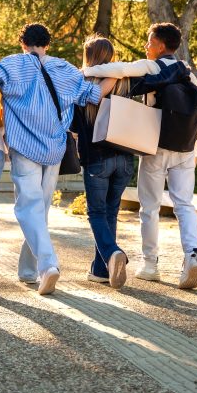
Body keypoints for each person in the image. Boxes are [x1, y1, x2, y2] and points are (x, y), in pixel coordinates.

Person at [0, 23, 101, 295]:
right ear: (47, 44)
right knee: (40, 209)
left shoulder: (12, 64)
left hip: (25, 147)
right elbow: (93, 94)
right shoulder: (65, 69)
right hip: (54, 148)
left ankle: (48, 265)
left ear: (23, 43)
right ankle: (28, 269)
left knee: (28, 208)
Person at [82, 22, 197, 290]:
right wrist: (194, 150)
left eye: (150, 42)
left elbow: (119, 69)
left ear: (160, 46)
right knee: (185, 205)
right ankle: (192, 254)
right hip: (185, 149)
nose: (147, 47)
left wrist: (86, 70)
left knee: (149, 207)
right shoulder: (188, 73)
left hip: (156, 148)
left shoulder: (154, 66)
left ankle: (150, 264)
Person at [73, 36, 129, 289]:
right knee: (110, 212)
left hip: (97, 158)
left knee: (96, 212)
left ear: (88, 57)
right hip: (126, 157)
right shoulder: (126, 81)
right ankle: (101, 269)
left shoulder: (81, 84)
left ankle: (112, 253)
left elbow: (74, 125)